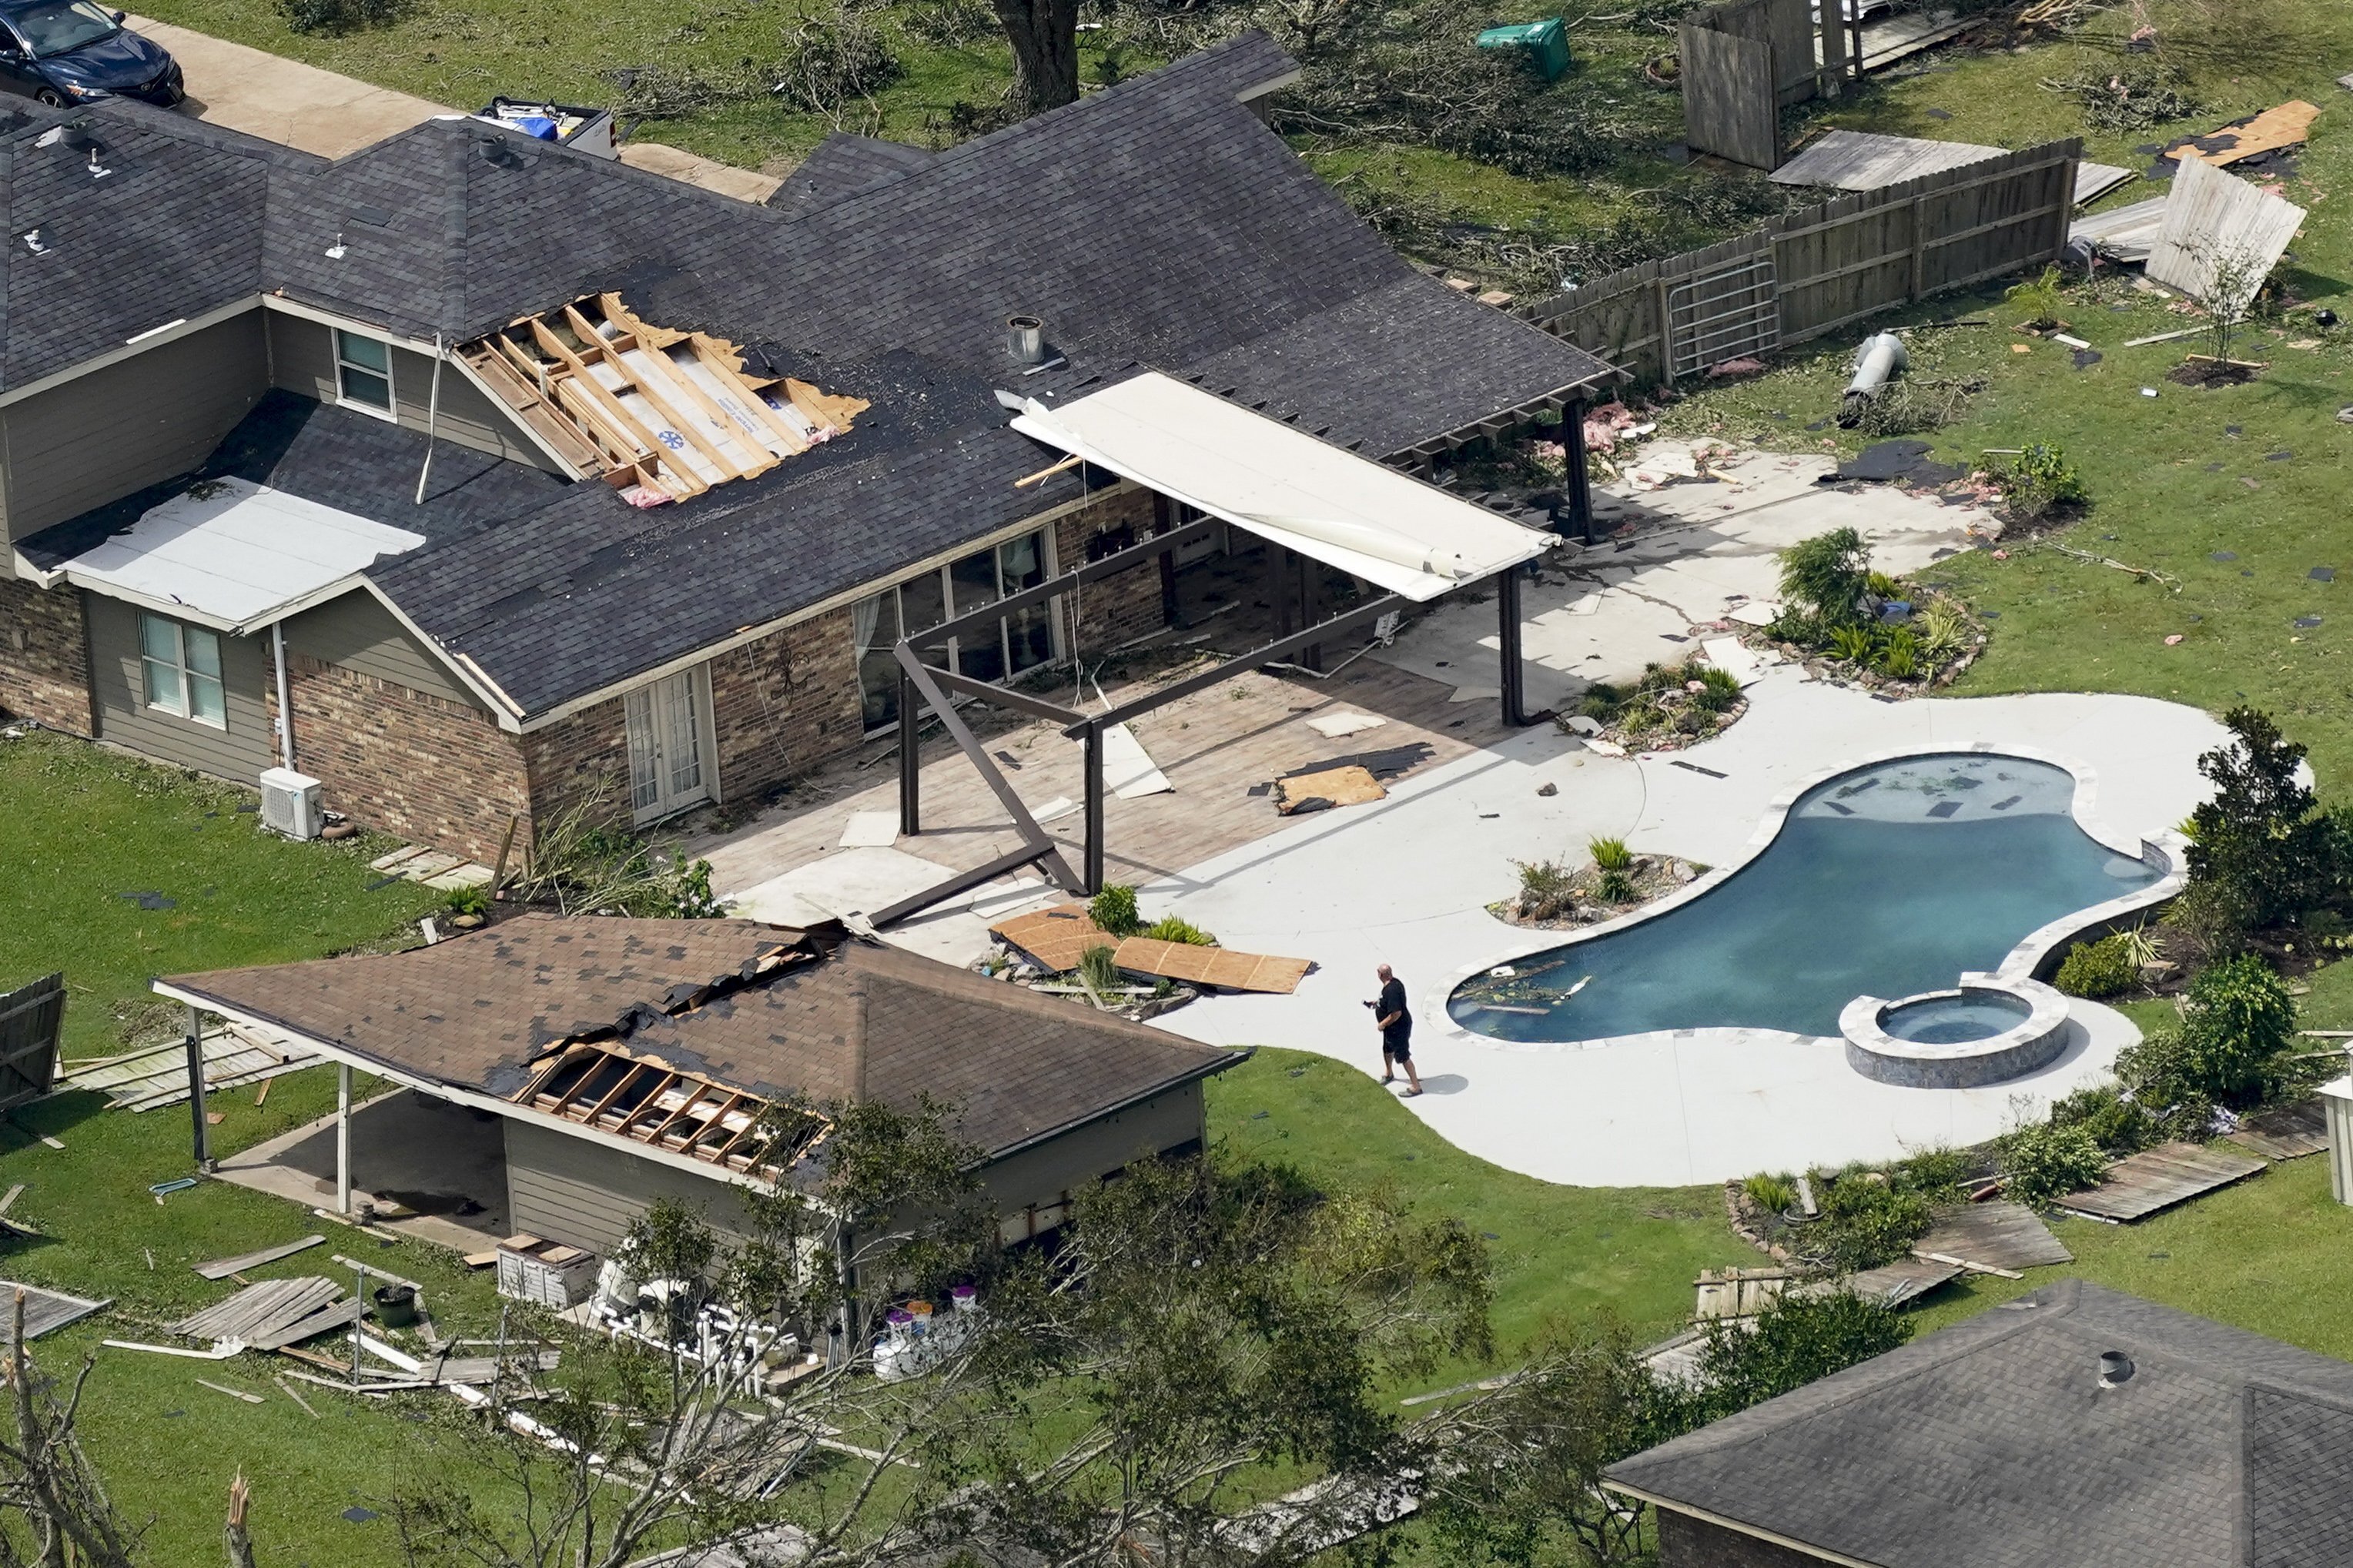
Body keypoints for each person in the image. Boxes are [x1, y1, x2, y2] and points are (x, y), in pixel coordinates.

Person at [1369, 963, 1422, 1096]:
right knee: (1387, 1049)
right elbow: (1390, 1003)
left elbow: (1396, 1014)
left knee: (1403, 1056)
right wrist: (1378, 1004)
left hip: (1398, 1029)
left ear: (1380, 974)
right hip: (1392, 1029)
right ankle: (1389, 1073)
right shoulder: (1394, 984)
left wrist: (1382, 1024)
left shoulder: (1391, 990)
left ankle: (1416, 1086)